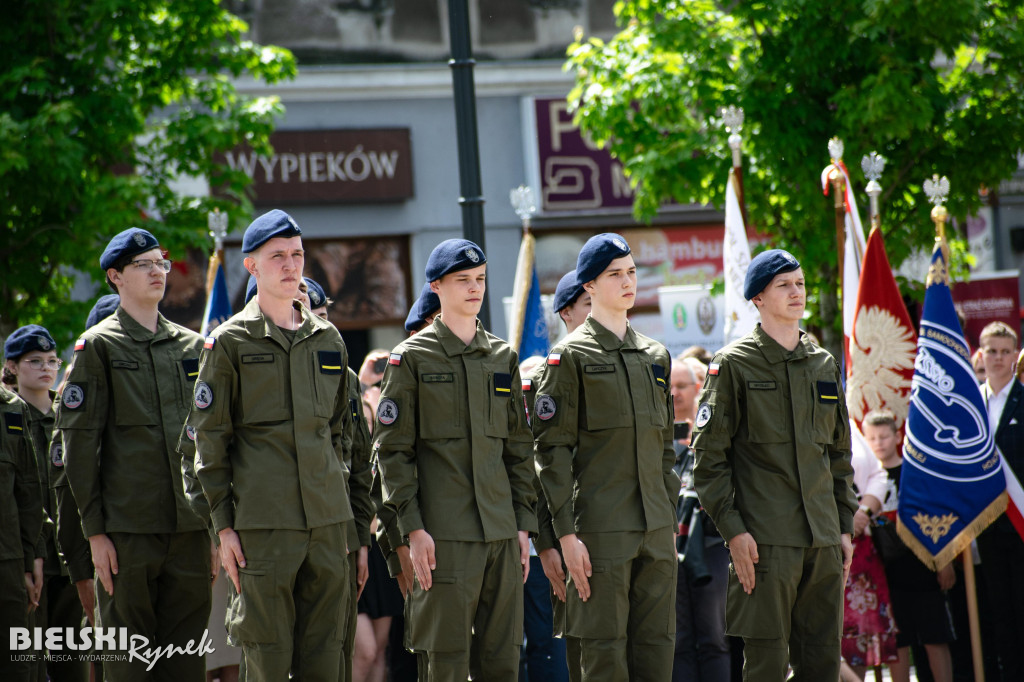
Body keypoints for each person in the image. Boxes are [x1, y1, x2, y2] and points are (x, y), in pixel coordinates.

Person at [188, 209, 361, 681]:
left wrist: (348, 523)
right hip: (262, 530)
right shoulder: (228, 343)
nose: (290, 265)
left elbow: (342, 434)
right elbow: (209, 443)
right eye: (277, 256)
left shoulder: (329, 339)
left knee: (327, 658)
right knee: (266, 659)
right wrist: (223, 528)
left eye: (298, 255)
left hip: (327, 526)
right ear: (251, 266)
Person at [375, 238, 537, 681]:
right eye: (463, 280)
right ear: (436, 287)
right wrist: (412, 528)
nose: (474, 289)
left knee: (503, 662)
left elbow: (519, 450)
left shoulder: (502, 357)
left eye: (480, 279)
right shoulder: (410, 359)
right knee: (444, 664)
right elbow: (392, 453)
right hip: (442, 537)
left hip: (501, 535)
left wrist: (523, 525)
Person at [691, 248, 857, 682]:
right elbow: (709, 461)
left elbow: (839, 455)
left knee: (821, 664)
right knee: (764, 665)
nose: (796, 292)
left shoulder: (822, 364)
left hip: (821, 539)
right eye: (783, 285)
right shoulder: (732, 365)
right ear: (758, 299)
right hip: (765, 543)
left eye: (800, 283)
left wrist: (842, 526)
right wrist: (734, 531)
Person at [56, 227, 211, 681]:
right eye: (143, 265)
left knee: (186, 665)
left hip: (188, 531)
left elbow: (209, 440)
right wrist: (96, 533)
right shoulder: (97, 348)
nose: (157, 272)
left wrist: (215, 526)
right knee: (128, 667)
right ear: (115, 277)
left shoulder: (193, 347)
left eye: (160, 262)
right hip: (127, 535)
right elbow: (79, 446)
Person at [532, 234, 678, 681]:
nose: (628, 281)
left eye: (631, 272)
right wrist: (565, 536)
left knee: (656, 657)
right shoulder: (568, 357)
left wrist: (667, 515)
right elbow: (550, 454)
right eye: (615, 274)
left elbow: (665, 449)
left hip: (654, 531)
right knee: (603, 661)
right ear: (589, 286)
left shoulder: (655, 355)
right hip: (599, 533)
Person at [4, 325, 89, 682]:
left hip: (70, 554)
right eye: (34, 361)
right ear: (11, 367)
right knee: (30, 660)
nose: (46, 368)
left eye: (52, 360)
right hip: (30, 554)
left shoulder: (69, 413)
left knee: (73, 660)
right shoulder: (10, 416)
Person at [862, 409, 956, 682]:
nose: (878, 443)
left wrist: (945, 560)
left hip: (923, 566)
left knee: (935, 637)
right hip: (885, 573)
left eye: (884, 436)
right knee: (896, 643)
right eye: (872, 438)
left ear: (897, 436)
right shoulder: (864, 480)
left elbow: (937, 517)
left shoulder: (914, 473)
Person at [527, 269, 588, 682]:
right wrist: (547, 541)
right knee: (558, 656)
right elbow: (536, 468)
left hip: (607, 531)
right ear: (565, 312)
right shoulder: (544, 374)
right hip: (555, 543)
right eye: (588, 304)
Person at [672, 351, 730, 682]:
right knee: (678, 641)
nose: (676, 394)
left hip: (709, 544)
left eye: (682, 386)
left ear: (698, 388)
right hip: (667, 545)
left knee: (714, 637)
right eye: (670, 388)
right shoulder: (653, 430)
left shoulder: (714, 428)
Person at [975, 322, 1024, 682]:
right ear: (980, 354)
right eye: (991, 350)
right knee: (997, 614)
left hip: (1021, 525)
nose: (998, 358)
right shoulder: (968, 406)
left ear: (1015, 357)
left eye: (1006, 351)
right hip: (985, 527)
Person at [840, 427, 898, 681]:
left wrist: (863, 512)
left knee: (863, 631)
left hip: (862, 548)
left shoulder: (848, 423)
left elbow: (877, 474)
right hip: (825, 541)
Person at [0, 383, 44, 682]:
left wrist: (29, 563)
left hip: (8, 564)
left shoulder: (12, 408)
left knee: (17, 665)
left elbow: (28, 493)